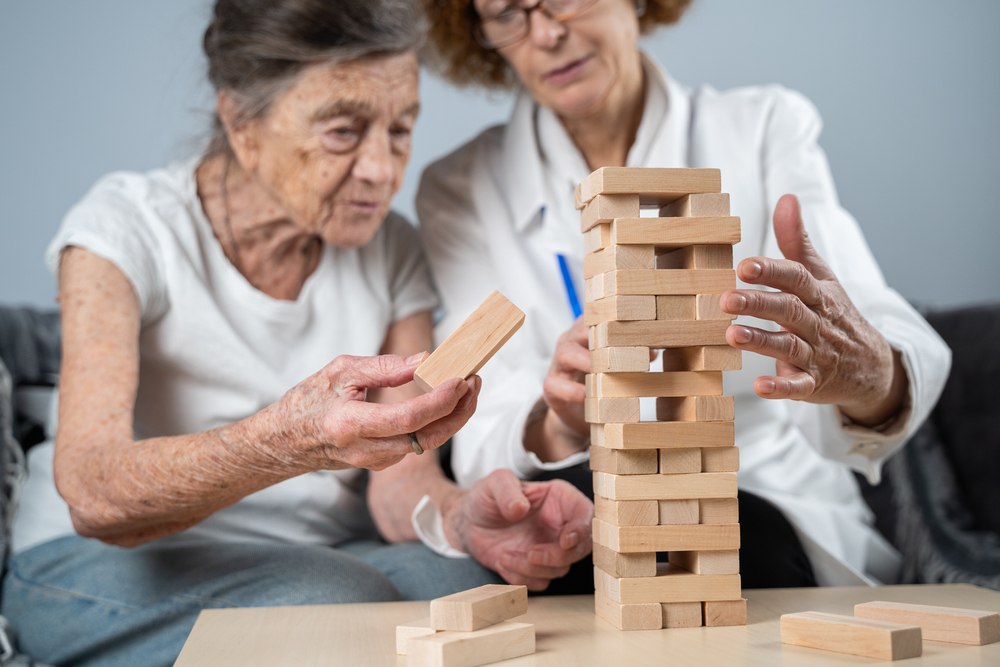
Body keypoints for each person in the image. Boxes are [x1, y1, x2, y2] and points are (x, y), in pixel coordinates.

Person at [0, 1, 591, 665]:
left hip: (320, 554)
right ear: (241, 123)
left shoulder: (391, 248)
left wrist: (461, 517)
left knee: (456, 583)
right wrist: (287, 440)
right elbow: (92, 493)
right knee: (331, 600)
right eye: (343, 131)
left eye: (401, 129)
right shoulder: (124, 228)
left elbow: (401, 479)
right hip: (94, 561)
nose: (380, 169)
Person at [415, 0, 952, 588]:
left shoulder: (762, 127)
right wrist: (562, 422)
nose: (545, 32)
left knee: (726, 534)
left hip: (760, 494)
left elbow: (866, 324)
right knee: (584, 523)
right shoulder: (459, 188)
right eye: (506, 13)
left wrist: (867, 374)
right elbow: (477, 410)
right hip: (585, 499)